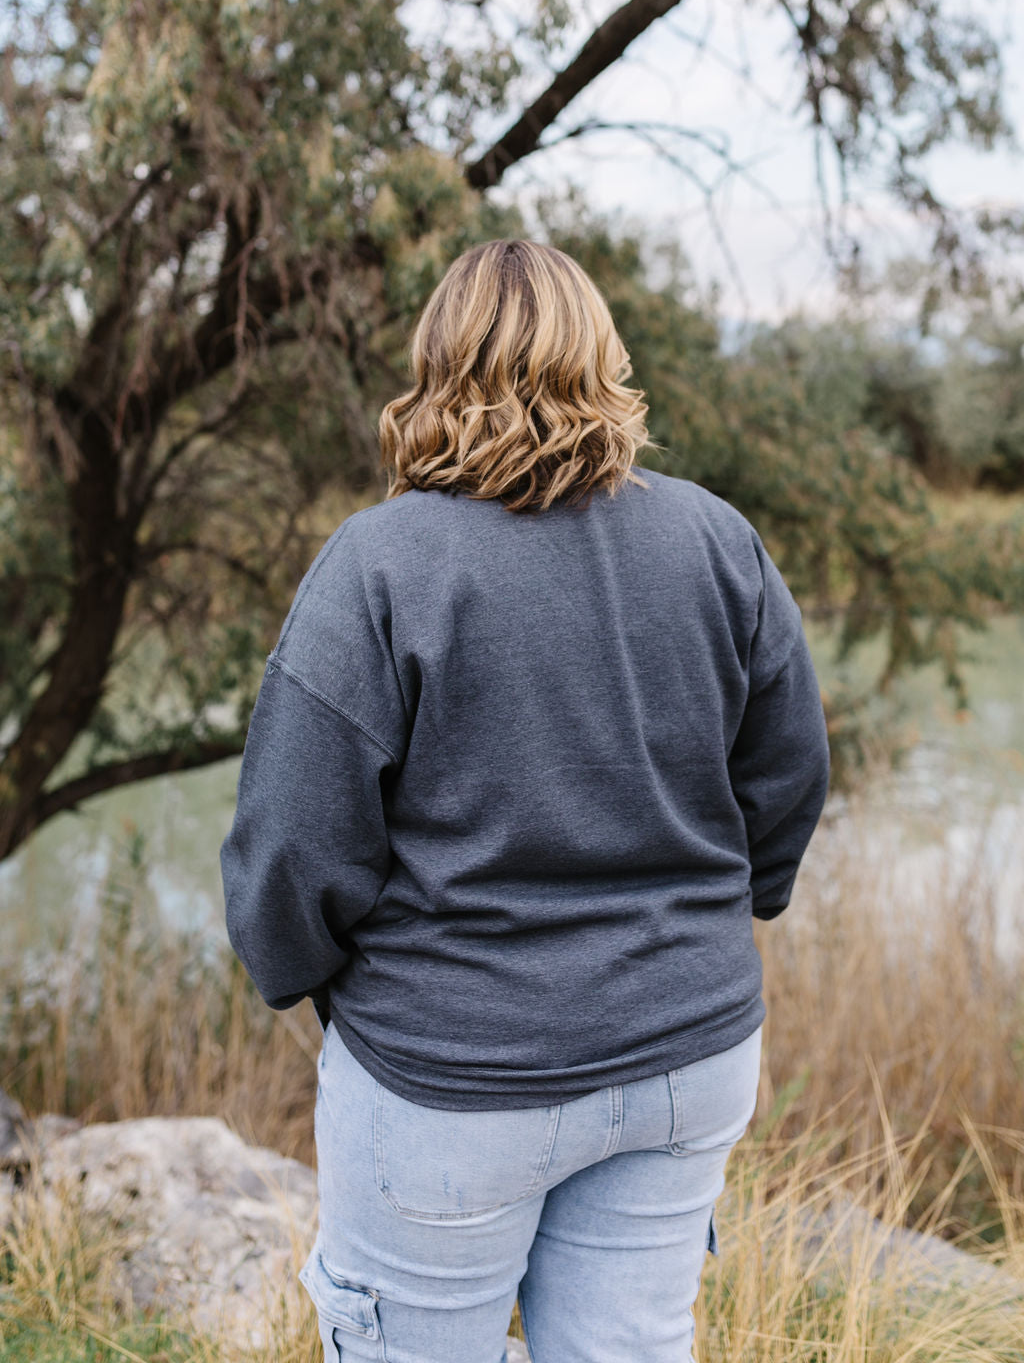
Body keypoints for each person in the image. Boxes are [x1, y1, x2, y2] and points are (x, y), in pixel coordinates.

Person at [218, 238, 830, 1363]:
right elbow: (787, 784)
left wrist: (313, 983)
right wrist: (700, 928)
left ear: (438, 367)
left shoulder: (379, 564)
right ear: (602, 360)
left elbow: (292, 854)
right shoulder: (717, 541)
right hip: (683, 1062)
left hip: (447, 1080)